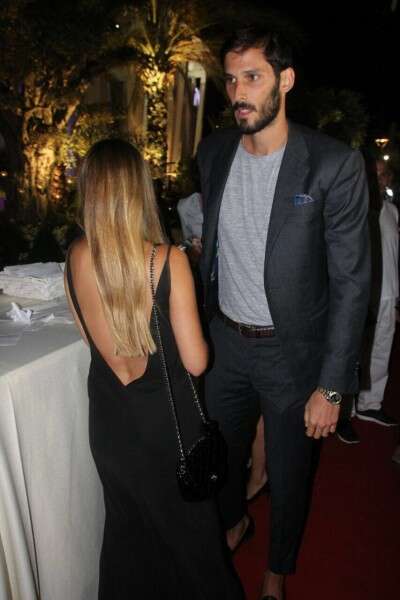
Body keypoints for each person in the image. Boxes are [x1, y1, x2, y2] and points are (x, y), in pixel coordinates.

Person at [197, 27, 370, 600]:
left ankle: (277, 571)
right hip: (225, 343)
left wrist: (333, 385)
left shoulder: (332, 165)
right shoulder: (214, 152)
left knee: (291, 474)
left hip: (291, 353)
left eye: (253, 77)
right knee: (220, 458)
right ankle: (235, 522)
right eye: (231, 80)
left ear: (286, 80)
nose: (238, 92)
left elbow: (352, 284)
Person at [64, 139, 243, 600]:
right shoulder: (168, 260)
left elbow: (91, 340)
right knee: (195, 550)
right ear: (137, 191)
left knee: (128, 544)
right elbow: (196, 361)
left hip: (111, 429)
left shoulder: (74, 258)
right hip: (168, 432)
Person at [356, 158, 399, 427]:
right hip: (363, 294)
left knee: (382, 350)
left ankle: (370, 404)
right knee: (354, 352)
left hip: (389, 293)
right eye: (375, 174)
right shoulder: (356, 208)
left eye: (384, 175)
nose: (379, 179)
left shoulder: (393, 211)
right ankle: (345, 409)